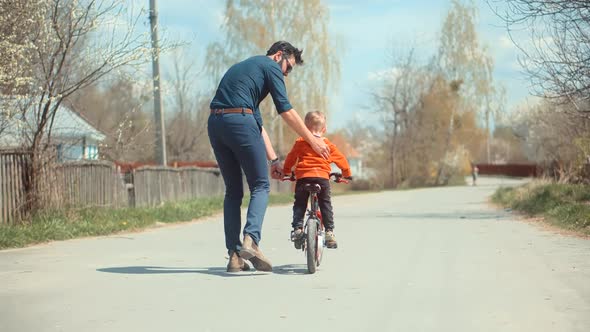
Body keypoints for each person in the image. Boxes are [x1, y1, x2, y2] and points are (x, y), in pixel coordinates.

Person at [208, 41, 330, 272]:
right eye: (289, 67)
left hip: (216, 123)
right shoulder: (271, 66)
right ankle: (250, 240)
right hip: (239, 121)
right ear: (278, 56)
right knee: (261, 185)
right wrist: (312, 141)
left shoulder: (246, 71)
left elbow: (257, 123)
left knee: (233, 190)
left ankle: (235, 256)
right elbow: (285, 109)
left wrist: (274, 160)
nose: (286, 73)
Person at [282, 111, 352, 249]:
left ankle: (297, 229)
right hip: (322, 178)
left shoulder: (300, 142)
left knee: (300, 203)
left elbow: (290, 158)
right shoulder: (328, 145)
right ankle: (329, 233)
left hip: (303, 178)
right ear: (324, 129)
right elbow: (341, 160)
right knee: (325, 204)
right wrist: (346, 173)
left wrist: (286, 171)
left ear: (305, 128)